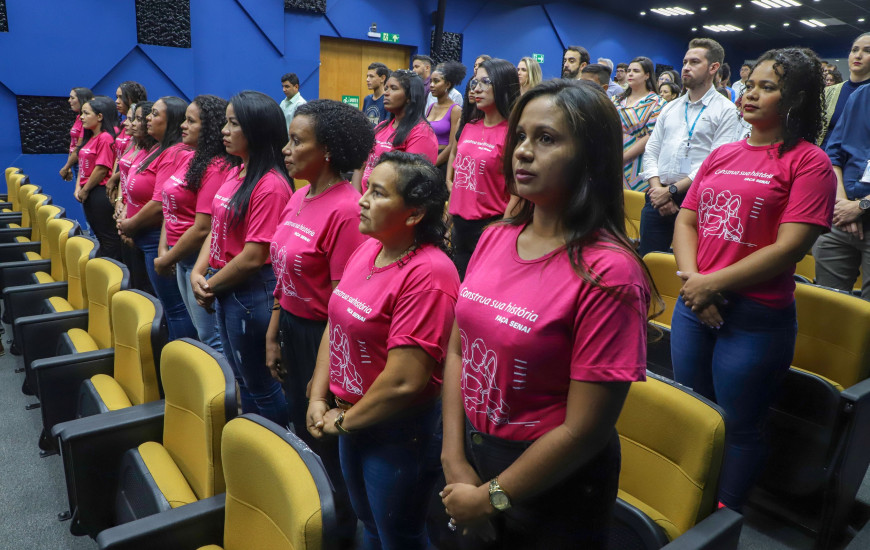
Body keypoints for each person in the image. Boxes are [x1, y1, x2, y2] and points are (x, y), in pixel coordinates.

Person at [440, 79, 653, 549]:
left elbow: (584, 431)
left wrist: (491, 497)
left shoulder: (610, 273)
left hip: (555, 480)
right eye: (520, 136)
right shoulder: (496, 236)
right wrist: (454, 458)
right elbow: (459, 350)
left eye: (547, 139)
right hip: (475, 454)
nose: (523, 152)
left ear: (589, 157)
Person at [671, 48, 836, 510]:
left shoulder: (809, 162)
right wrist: (695, 283)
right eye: (751, 84)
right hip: (695, 303)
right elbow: (687, 222)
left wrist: (710, 284)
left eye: (769, 87)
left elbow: (790, 248)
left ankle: (724, 517)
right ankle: (689, 503)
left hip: (755, 316)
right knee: (695, 412)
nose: (752, 94)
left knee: (740, 423)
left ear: (796, 99)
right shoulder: (723, 154)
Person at [307, 151, 459, 550]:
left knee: (399, 536)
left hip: (397, 431)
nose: (362, 199)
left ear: (413, 215)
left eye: (377, 192)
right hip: (353, 418)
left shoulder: (430, 273)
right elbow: (335, 322)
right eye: (366, 188)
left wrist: (342, 422)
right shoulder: (369, 249)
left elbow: (405, 382)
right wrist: (319, 396)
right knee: (370, 524)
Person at [267, 99, 374, 547]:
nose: (287, 150)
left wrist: (322, 373)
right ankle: (314, 514)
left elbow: (340, 303)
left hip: (323, 338)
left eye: (297, 141)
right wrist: (273, 333)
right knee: (301, 428)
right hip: (291, 328)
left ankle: (341, 528)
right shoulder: (298, 195)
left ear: (327, 150)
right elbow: (282, 274)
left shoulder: (346, 210)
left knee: (328, 443)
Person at [191, 90, 293, 426]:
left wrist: (210, 283)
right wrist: (199, 272)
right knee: (242, 377)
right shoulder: (238, 172)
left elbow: (254, 255)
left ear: (257, 130)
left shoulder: (270, 185)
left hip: (250, 290)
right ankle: (254, 445)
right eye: (226, 122)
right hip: (226, 284)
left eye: (234, 123)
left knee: (260, 386)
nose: (224, 130)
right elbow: (217, 228)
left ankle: (282, 451)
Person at [638, 38, 740, 257]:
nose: (685, 67)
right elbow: (652, 150)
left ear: (713, 68)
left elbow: (715, 162)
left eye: (694, 62)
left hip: (697, 201)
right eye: (685, 61)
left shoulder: (726, 110)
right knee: (647, 265)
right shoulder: (670, 107)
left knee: (689, 270)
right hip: (657, 197)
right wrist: (659, 191)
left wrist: (672, 191)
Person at [153, 95, 230, 351]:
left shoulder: (217, 166)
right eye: (184, 119)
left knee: (212, 339)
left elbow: (203, 228)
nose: (183, 126)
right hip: (180, 258)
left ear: (207, 128)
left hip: (199, 261)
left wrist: (167, 258)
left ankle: (223, 391)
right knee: (200, 333)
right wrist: (165, 251)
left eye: (190, 121)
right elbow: (168, 206)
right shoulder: (189, 157)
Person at [118, 96, 198, 340]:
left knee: (175, 308)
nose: (148, 119)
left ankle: (180, 366)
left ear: (171, 121)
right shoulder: (157, 148)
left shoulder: (177, 153)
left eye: (154, 114)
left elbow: (160, 203)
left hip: (157, 239)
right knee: (166, 304)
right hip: (149, 237)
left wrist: (130, 224)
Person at [448, 58, 521, 279]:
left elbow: (518, 193)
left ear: (503, 85)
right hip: (459, 226)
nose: (477, 89)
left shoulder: (513, 133)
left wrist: (501, 232)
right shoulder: (469, 126)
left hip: (490, 226)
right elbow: (460, 174)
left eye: (485, 82)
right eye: (474, 83)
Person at [814, 66, 870, 299]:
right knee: (829, 303)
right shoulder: (860, 96)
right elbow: (832, 154)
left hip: (859, 209)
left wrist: (859, 207)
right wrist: (841, 203)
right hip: (841, 216)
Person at [356, 70, 438, 192]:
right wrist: (357, 202)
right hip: (366, 202)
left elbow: (411, 182)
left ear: (410, 97)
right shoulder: (382, 126)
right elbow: (360, 167)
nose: (386, 93)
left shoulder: (421, 133)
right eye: (386, 88)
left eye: (393, 88)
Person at [117, 101, 157, 294]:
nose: (130, 123)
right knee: (138, 280)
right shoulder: (141, 149)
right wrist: (123, 206)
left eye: (138, 119)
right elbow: (127, 183)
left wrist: (131, 224)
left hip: (147, 228)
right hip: (131, 221)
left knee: (151, 290)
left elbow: (158, 201)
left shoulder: (159, 153)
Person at [76, 96, 123, 261]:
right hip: (88, 191)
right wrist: (79, 188)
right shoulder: (91, 137)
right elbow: (82, 166)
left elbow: (102, 169)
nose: (81, 117)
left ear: (100, 116)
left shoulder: (105, 138)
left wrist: (86, 189)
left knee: (108, 239)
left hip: (99, 192)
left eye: (86, 113)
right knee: (99, 236)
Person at [613, 56, 666, 191]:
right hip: (612, 153)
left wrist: (623, 158)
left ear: (647, 75)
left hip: (638, 160)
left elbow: (651, 136)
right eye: (629, 70)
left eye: (636, 71)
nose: (630, 74)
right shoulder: (617, 99)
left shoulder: (657, 102)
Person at [819, 33, 870, 149]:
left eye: (867, 51)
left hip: (859, 162)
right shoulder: (828, 92)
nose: (858, 55)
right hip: (823, 160)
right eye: (854, 50)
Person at [427, 61, 466, 180]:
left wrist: (432, 165)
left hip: (441, 162)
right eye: (431, 81)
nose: (431, 85)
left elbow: (452, 146)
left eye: (436, 81)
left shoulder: (455, 110)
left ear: (447, 84)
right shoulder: (431, 107)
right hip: (426, 157)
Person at [59, 87, 94, 183]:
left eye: (72, 98)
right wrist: (69, 164)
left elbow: (79, 146)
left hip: (82, 162)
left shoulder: (87, 121)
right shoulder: (79, 117)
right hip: (74, 162)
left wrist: (66, 167)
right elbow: (73, 144)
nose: (69, 101)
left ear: (82, 99)